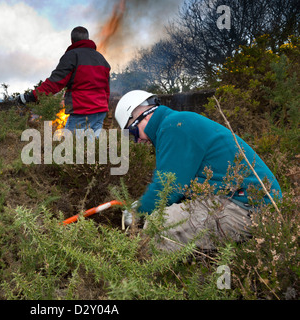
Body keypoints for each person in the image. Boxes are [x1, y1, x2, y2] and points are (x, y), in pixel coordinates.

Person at [115, 90, 282, 252]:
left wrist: (139, 211)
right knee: (171, 216)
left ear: (146, 116)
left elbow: (168, 188)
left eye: (133, 132)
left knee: (158, 227)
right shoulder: (176, 123)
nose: (137, 141)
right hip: (245, 203)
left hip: (248, 209)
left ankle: (161, 277)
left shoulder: (174, 126)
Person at [19, 26, 111, 135]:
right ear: (88, 38)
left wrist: (31, 96)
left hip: (81, 111)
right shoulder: (101, 59)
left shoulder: (71, 56)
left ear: (72, 40)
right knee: (93, 147)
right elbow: (106, 90)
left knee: (71, 147)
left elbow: (54, 83)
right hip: (100, 111)